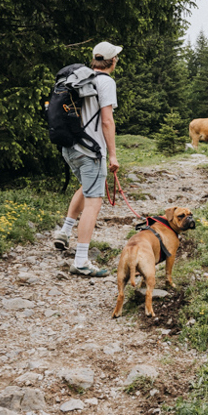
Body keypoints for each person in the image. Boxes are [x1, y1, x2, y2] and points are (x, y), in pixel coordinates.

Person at [52, 41, 121, 276]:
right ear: (112, 61)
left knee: (87, 187)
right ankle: (81, 261)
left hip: (70, 147)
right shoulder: (106, 82)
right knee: (94, 202)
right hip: (90, 151)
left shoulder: (80, 78)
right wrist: (112, 155)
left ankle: (64, 231)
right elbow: (107, 121)